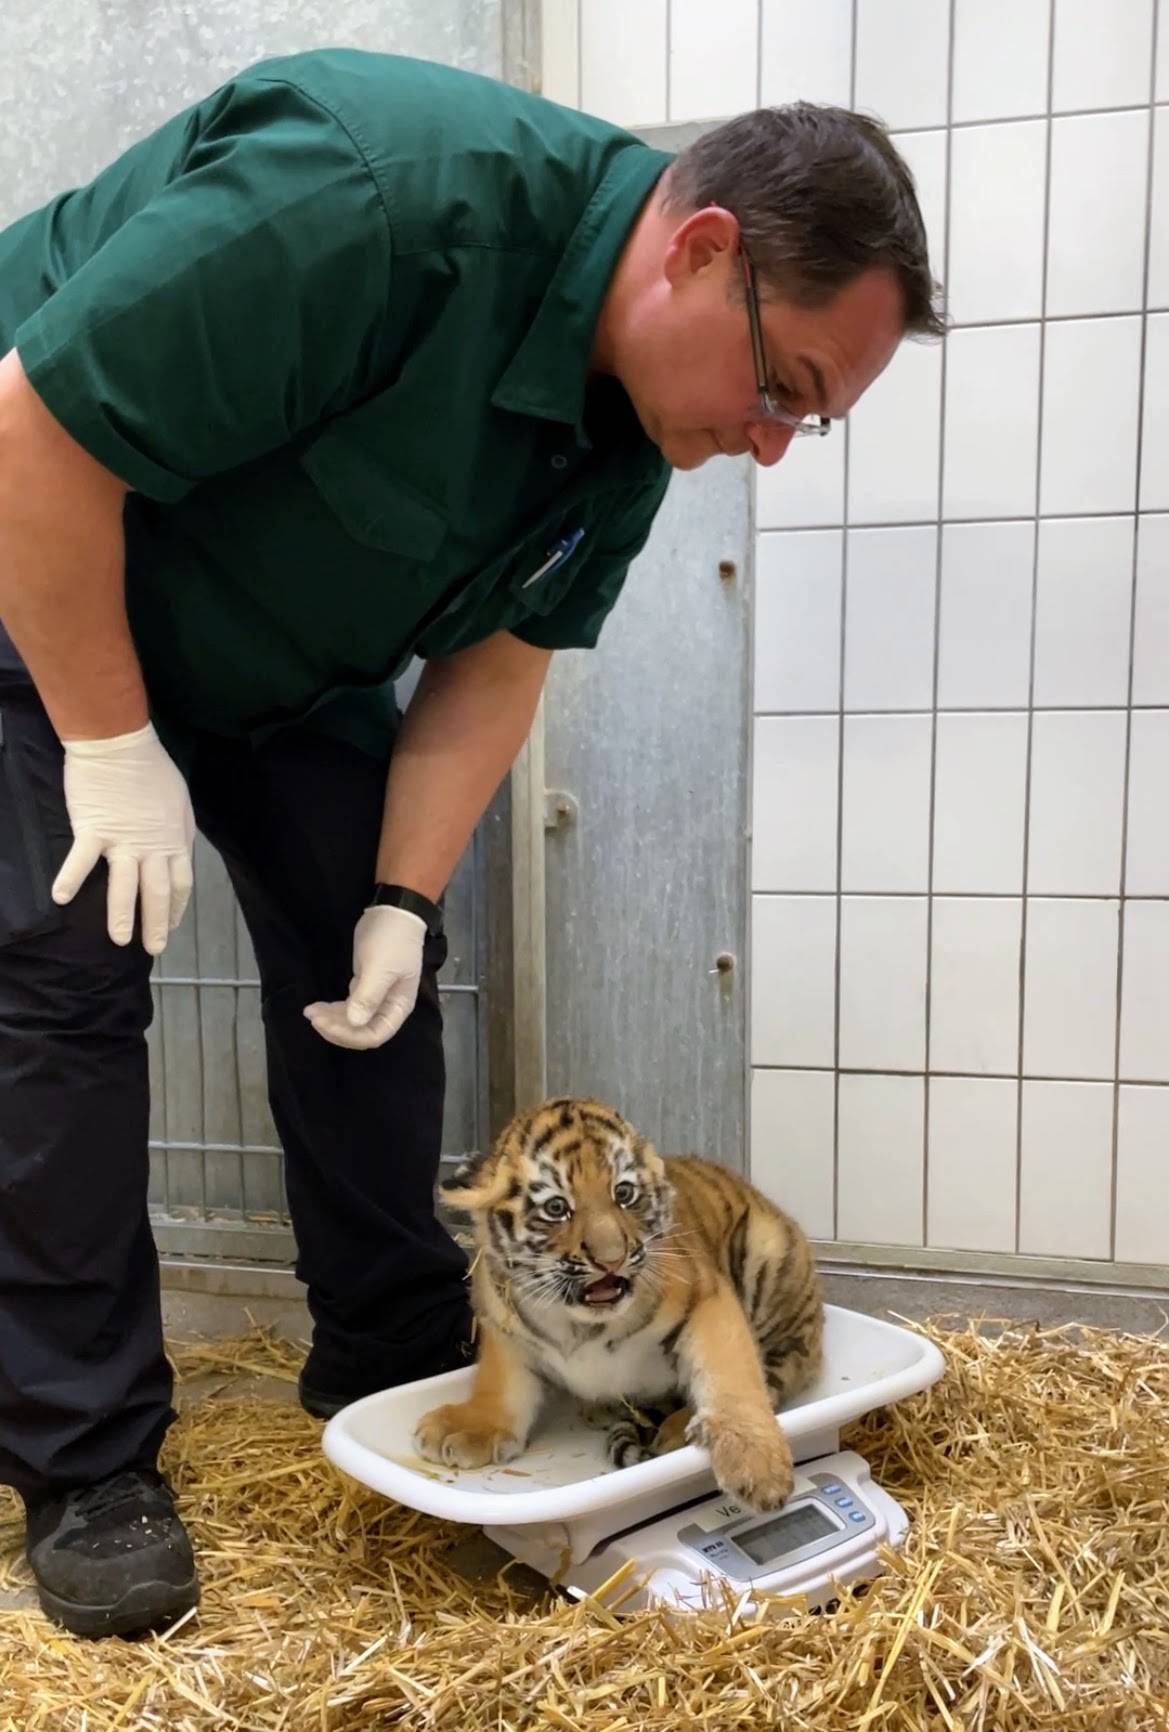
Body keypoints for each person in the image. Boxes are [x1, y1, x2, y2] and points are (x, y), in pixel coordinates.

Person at [0, 47, 941, 1636]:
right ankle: (87, 1462)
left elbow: (498, 658)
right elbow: (34, 425)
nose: (772, 443)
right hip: (40, 562)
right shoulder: (378, 195)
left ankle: (383, 1360)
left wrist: (393, 893)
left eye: (811, 423)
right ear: (700, 248)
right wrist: (106, 741)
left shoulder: (637, 420)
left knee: (373, 974)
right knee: (63, 972)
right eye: (780, 388)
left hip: (273, 661)